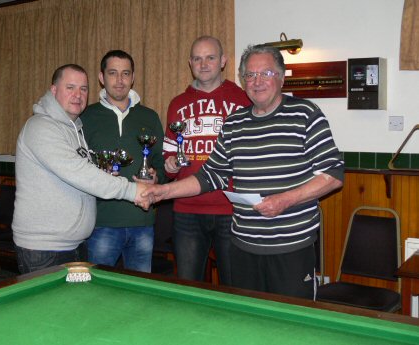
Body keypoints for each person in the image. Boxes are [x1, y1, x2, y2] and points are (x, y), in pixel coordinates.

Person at [144, 44, 344, 299]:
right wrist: (163, 190)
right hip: (243, 248)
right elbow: (210, 175)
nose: (257, 82)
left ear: (281, 77)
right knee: (246, 322)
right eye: (250, 75)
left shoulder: (306, 114)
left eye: (266, 74)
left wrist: (285, 200)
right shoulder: (234, 123)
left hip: (291, 248)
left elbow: (333, 174)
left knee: (292, 327)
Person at [13, 64, 151, 274]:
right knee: (52, 308)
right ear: (53, 90)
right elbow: (78, 172)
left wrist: (103, 173)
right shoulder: (40, 127)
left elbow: (78, 173)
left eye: (84, 89)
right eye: (70, 87)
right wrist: (133, 191)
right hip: (43, 249)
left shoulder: (75, 129)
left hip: (73, 245)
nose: (78, 95)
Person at [163, 36, 251, 285]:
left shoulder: (243, 100)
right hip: (187, 210)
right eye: (198, 59)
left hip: (231, 209)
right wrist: (170, 166)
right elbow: (169, 156)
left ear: (223, 61)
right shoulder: (177, 104)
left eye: (210, 57)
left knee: (235, 287)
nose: (204, 64)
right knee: (188, 286)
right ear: (190, 63)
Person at [81, 50, 166, 273]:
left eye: (125, 73)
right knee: (98, 291)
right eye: (113, 73)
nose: (120, 80)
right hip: (101, 223)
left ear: (133, 77)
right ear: (101, 77)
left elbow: (161, 162)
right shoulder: (85, 117)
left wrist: (157, 176)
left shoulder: (149, 116)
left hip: (142, 222)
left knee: (139, 292)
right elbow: (77, 167)